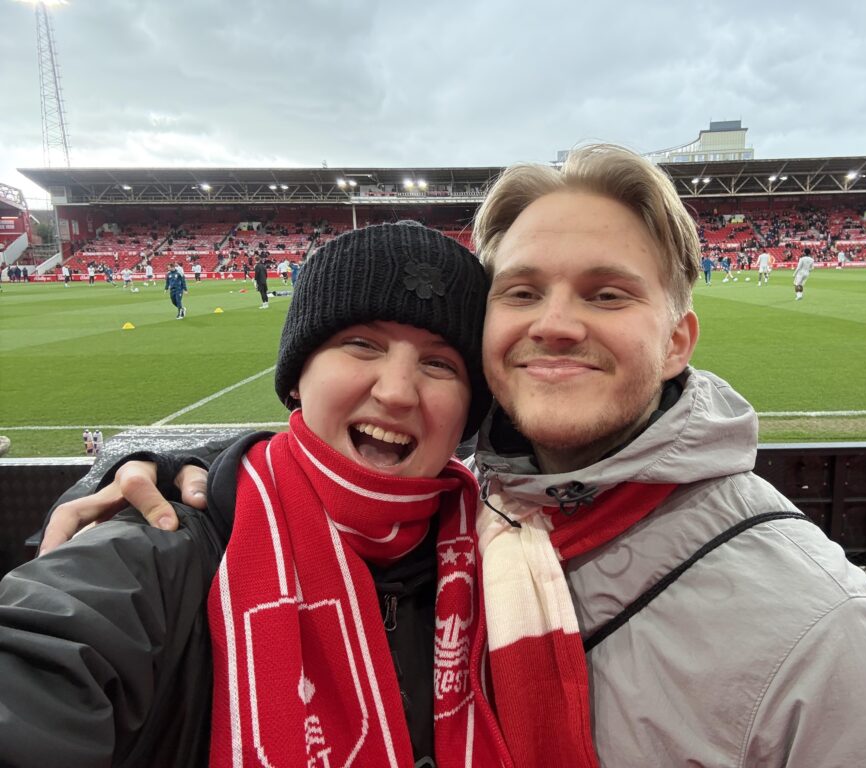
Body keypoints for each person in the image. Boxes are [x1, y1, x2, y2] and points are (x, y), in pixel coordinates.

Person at [38, 145, 866, 767]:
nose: (555, 324)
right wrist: (175, 475)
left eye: (605, 293)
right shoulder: (439, 529)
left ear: (679, 339)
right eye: (522, 290)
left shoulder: (826, 635)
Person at [0, 223, 514, 767]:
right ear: (296, 377)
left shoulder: (508, 556)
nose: (395, 391)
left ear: (469, 410)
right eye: (362, 345)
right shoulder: (167, 552)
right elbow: (42, 661)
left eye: (439, 364)